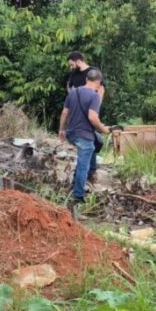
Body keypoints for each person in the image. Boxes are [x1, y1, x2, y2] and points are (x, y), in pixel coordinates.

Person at [57, 68, 111, 218]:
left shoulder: (74, 92)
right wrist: (103, 129)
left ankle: (91, 173)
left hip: (71, 133)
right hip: (83, 135)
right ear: (98, 82)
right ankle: (77, 198)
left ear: (87, 79)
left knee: (96, 142)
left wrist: (61, 130)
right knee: (83, 164)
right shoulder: (94, 96)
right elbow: (93, 117)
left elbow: (64, 113)